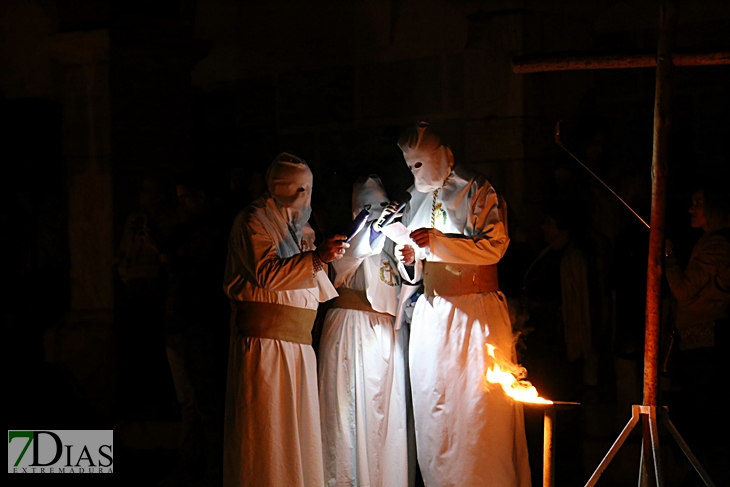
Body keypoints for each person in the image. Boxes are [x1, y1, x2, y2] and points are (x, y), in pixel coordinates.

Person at [393, 121, 530, 487]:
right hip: (433, 317)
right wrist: (410, 257)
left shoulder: (476, 189)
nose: (415, 173)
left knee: (477, 414)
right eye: (410, 166)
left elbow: (494, 246)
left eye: (420, 164)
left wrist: (438, 242)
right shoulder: (413, 198)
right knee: (437, 416)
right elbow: (415, 268)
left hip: (473, 314)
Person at [222, 152, 348, 487]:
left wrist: (323, 256)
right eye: (299, 191)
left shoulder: (301, 230)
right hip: (265, 347)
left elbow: (316, 287)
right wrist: (317, 258)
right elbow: (266, 274)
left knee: (298, 435)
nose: (304, 200)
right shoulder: (252, 221)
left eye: (308, 191)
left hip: (298, 349)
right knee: (267, 433)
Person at [318, 175, 410, 487]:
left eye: (383, 207)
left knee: (387, 425)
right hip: (352, 331)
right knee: (349, 421)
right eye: (368, 208)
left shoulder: (393, 244)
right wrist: (373, 227)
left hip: (387, 334)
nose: (378, 213)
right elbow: (352, 255)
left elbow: (410, 277)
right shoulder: (347, 242)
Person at [160, 171, 231, 486]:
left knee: (206, 401)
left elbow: (200, 277)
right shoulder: (189, 230)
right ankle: (196, 461)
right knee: (191, 400)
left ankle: (209, 466)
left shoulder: (211, 232)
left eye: (185, 197)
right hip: (184, 323)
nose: (181, 205)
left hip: (200, 325)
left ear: (200, 197)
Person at [665, 185, 729, 483]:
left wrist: (667, 258)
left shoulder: (716, 246)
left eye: (697, 203)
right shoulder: (709, 242)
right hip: (699, 345)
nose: (691, 209)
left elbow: (684, 290)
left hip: (706, 347)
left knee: (703, 421)